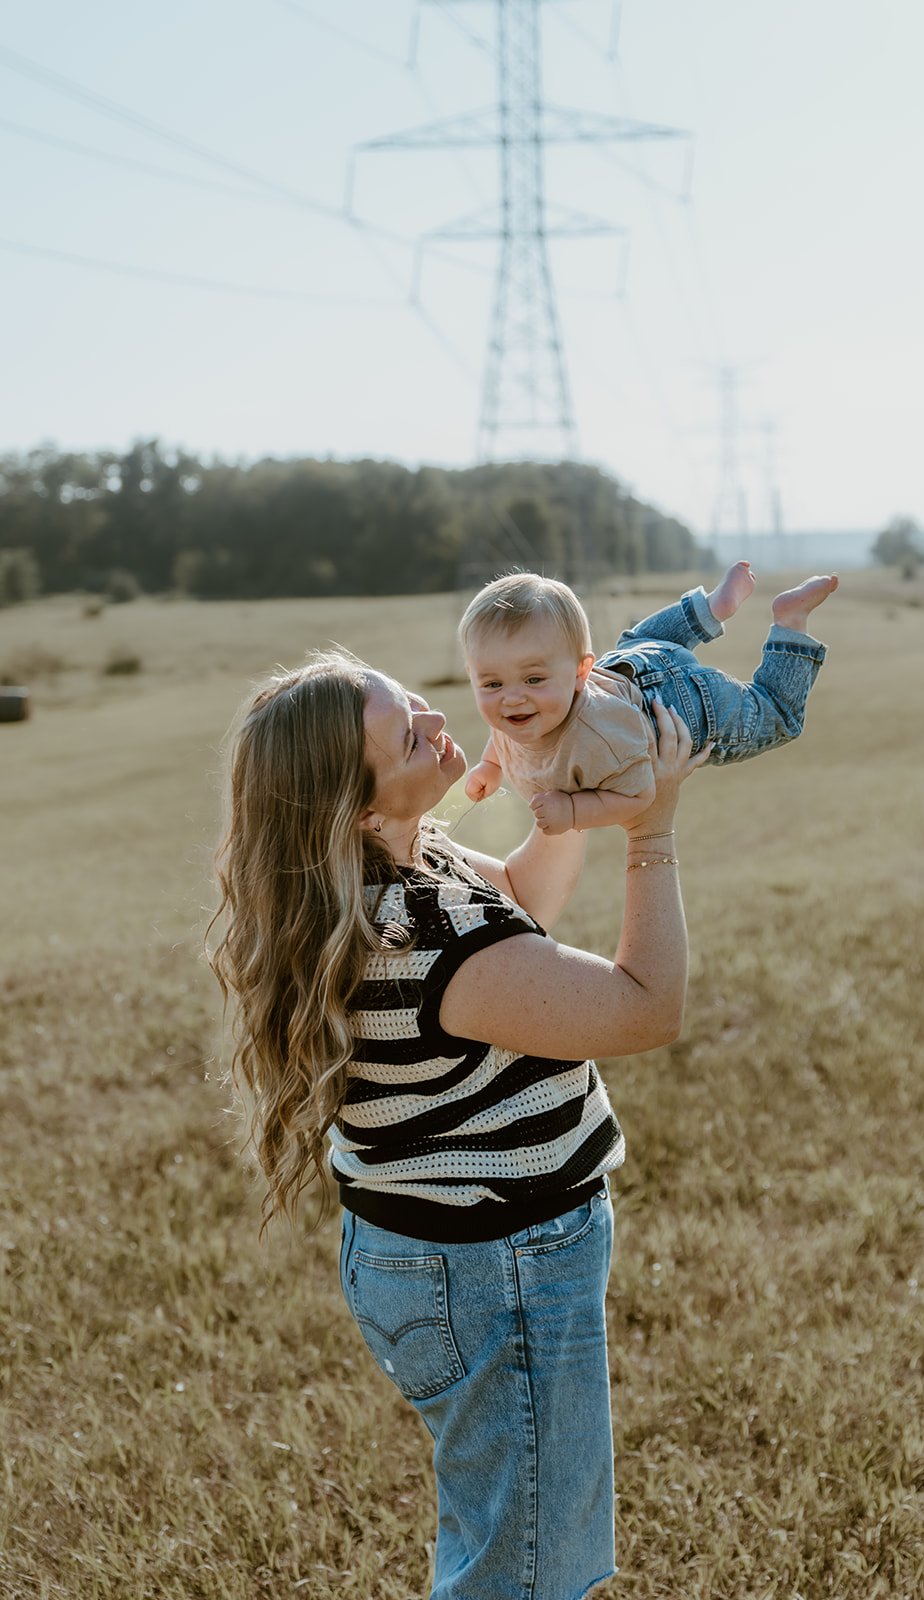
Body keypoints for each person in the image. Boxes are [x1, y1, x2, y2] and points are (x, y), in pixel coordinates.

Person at [209, 646, 707, 1600]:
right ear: (355, 806)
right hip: (491, 1269)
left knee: (508, 1534)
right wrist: (654, 831)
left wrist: (551, 773)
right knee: (523, 1569)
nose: (441, 724)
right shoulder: (418, 931)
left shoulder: (396, 864)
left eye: (414, 702)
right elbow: (647, 1008)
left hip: (434, 1252)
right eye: (409, 735)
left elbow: (520, 899)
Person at [461, 562, 837, 835]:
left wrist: (574, 809)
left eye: (533, 678)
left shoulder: (598, 740)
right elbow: (503, 738)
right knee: (635, 640)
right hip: (628, 666)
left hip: (685, 710)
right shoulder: (521, 714)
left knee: (777, 714)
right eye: (492, 684)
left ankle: (790, 622)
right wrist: (491, 768)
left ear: (579, 674)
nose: (511, 699)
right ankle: (711, 607)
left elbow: (640, 792)